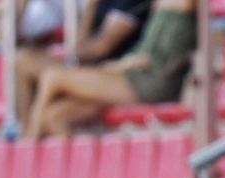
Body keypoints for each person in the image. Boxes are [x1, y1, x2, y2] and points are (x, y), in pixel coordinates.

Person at [23, 0, 196, 138]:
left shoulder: (183, 6)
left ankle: (27, 151)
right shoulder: (159, 5)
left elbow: (155, 58)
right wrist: (91, 6)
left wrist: (118, 65)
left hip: (154, 81)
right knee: (53, 116)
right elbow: (144, 51)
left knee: (53, 77)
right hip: (137, 72)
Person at [9, 0, 151, 130]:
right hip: (90, 70)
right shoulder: (98, 3)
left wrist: (72, 55)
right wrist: (91, 7)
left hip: (115, 72)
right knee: (23, 61)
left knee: (53, 88)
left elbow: (100, 48)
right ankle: (25, 133)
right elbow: (80, 45)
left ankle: (28, 144)